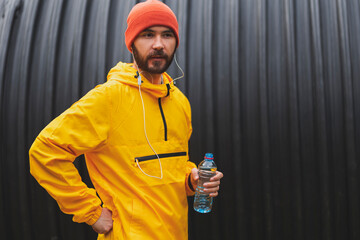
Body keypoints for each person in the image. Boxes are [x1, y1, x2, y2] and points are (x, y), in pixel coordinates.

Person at [29, 0, 223, 239]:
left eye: (167, 35)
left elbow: (169, 168)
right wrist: (91, 212)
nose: (159, 44)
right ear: (131, 42)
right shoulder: (109, 98)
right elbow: (44, 151)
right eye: (148, 35)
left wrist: (191, 180)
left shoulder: (180, 103)